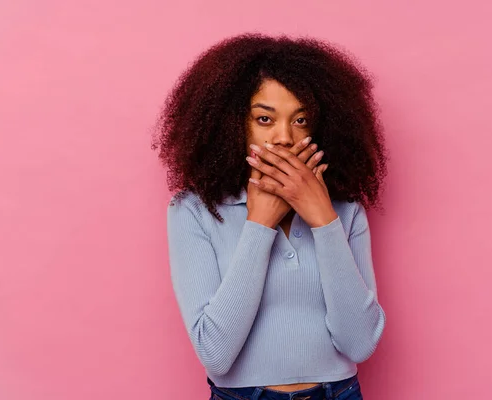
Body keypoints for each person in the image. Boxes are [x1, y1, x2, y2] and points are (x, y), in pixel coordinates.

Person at [153, 32, 389, 400]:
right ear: (233, 124)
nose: (283, 137)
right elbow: (215, 353)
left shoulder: (345, 211)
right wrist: (259, 225)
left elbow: (359, 344)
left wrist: (324, 220)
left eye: (301, 120)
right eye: (265, 119)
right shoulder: (194, 211)